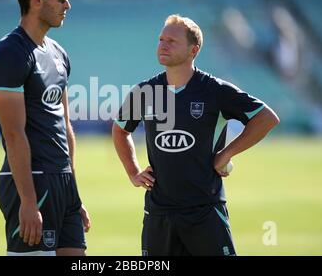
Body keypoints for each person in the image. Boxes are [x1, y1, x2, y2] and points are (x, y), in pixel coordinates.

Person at [112, 14, 279, 256]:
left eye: (172, 41)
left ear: (194, 50)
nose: (163, 45)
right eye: (161, 39)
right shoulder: (144, 92)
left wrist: (226, 153)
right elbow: (120, 130)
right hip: (159, 214)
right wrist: (133, 171)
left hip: (205, 211)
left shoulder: (215, 90)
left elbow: (266, 118)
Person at [0, 0, 90, 256]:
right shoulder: (11, 52)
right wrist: (28, 203)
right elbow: (14, 133)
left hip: (62, 182)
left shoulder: (58, 53)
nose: (67, 4)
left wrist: (73, 190)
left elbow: (65, 125)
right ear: (36, 0)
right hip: (32, 182)